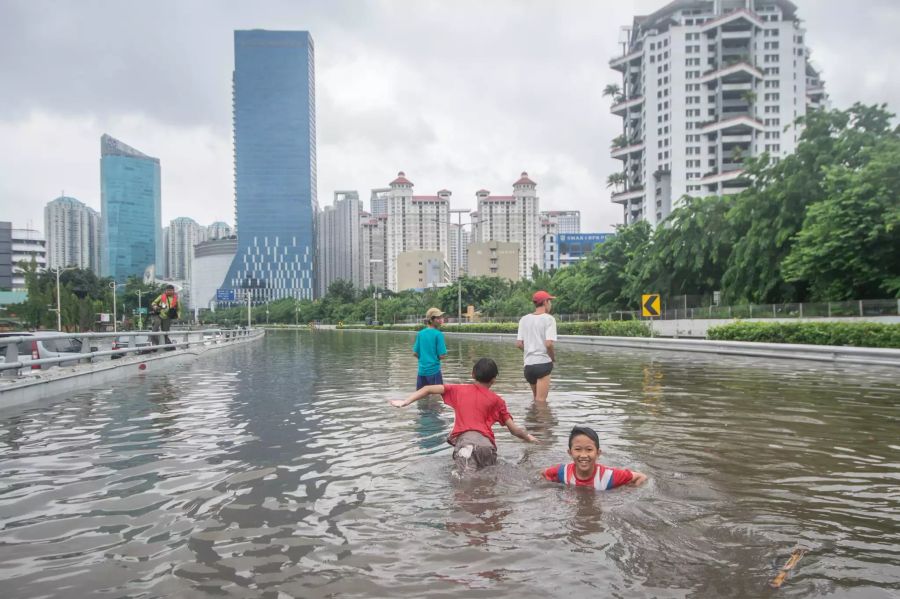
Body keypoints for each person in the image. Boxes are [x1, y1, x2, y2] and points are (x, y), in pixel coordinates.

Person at [390, 358, 537, 472]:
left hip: (466, 445)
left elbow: (428, 389)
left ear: (472, 374)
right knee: (488, 480)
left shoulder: (458, 390)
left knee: (464, 485)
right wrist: (528, 437)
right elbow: (514, 430)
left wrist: (405, 402)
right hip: (487, 446)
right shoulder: (498, 401)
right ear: (494, 379)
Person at [542, 425, 647, 490]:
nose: (583, 455)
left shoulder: (609, 476)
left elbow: (641, 477)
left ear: (598, 453)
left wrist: (629, 492)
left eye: (589, 450)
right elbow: (543, 474)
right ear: (570, 452)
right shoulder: (562, 472)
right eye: (578, 449)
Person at [516, 290, 557, 402]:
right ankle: (540, 419)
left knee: (535, 399)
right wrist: (553, 358)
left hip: (528, 366)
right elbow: (548, 344)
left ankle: (532, 419)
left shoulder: (524, 319)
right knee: (541, 402)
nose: (550, 304)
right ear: (545, 302)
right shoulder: (549, 319)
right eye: (550, 301)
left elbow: (519, 344)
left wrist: (530, 350)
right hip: (542, 364)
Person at [413, 307, 448, 390]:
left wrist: (424, 359)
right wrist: (433, 359)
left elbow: (415, 353)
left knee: (421, 397)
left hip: (421, 372)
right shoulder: (438, 334)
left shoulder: (420, 333)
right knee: (437, 398)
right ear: (431, 320)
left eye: (441, 317)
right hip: (434, 372)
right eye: (438, 318)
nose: (440, 320)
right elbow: (442, 355)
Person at [149, 284, 181, 348]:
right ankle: (152, 340)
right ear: (165, 291)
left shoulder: (176, 299)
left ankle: (166, 343)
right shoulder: (161, 296)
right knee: (157, 323)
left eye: (171, 290)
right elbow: (153, 303)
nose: (169, 292)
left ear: (173, 291)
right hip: (158, 314)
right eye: (168, 290)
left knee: (165, 331)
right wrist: (155, 306)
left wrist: (178, 316)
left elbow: (179, 309)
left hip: (167, 316)